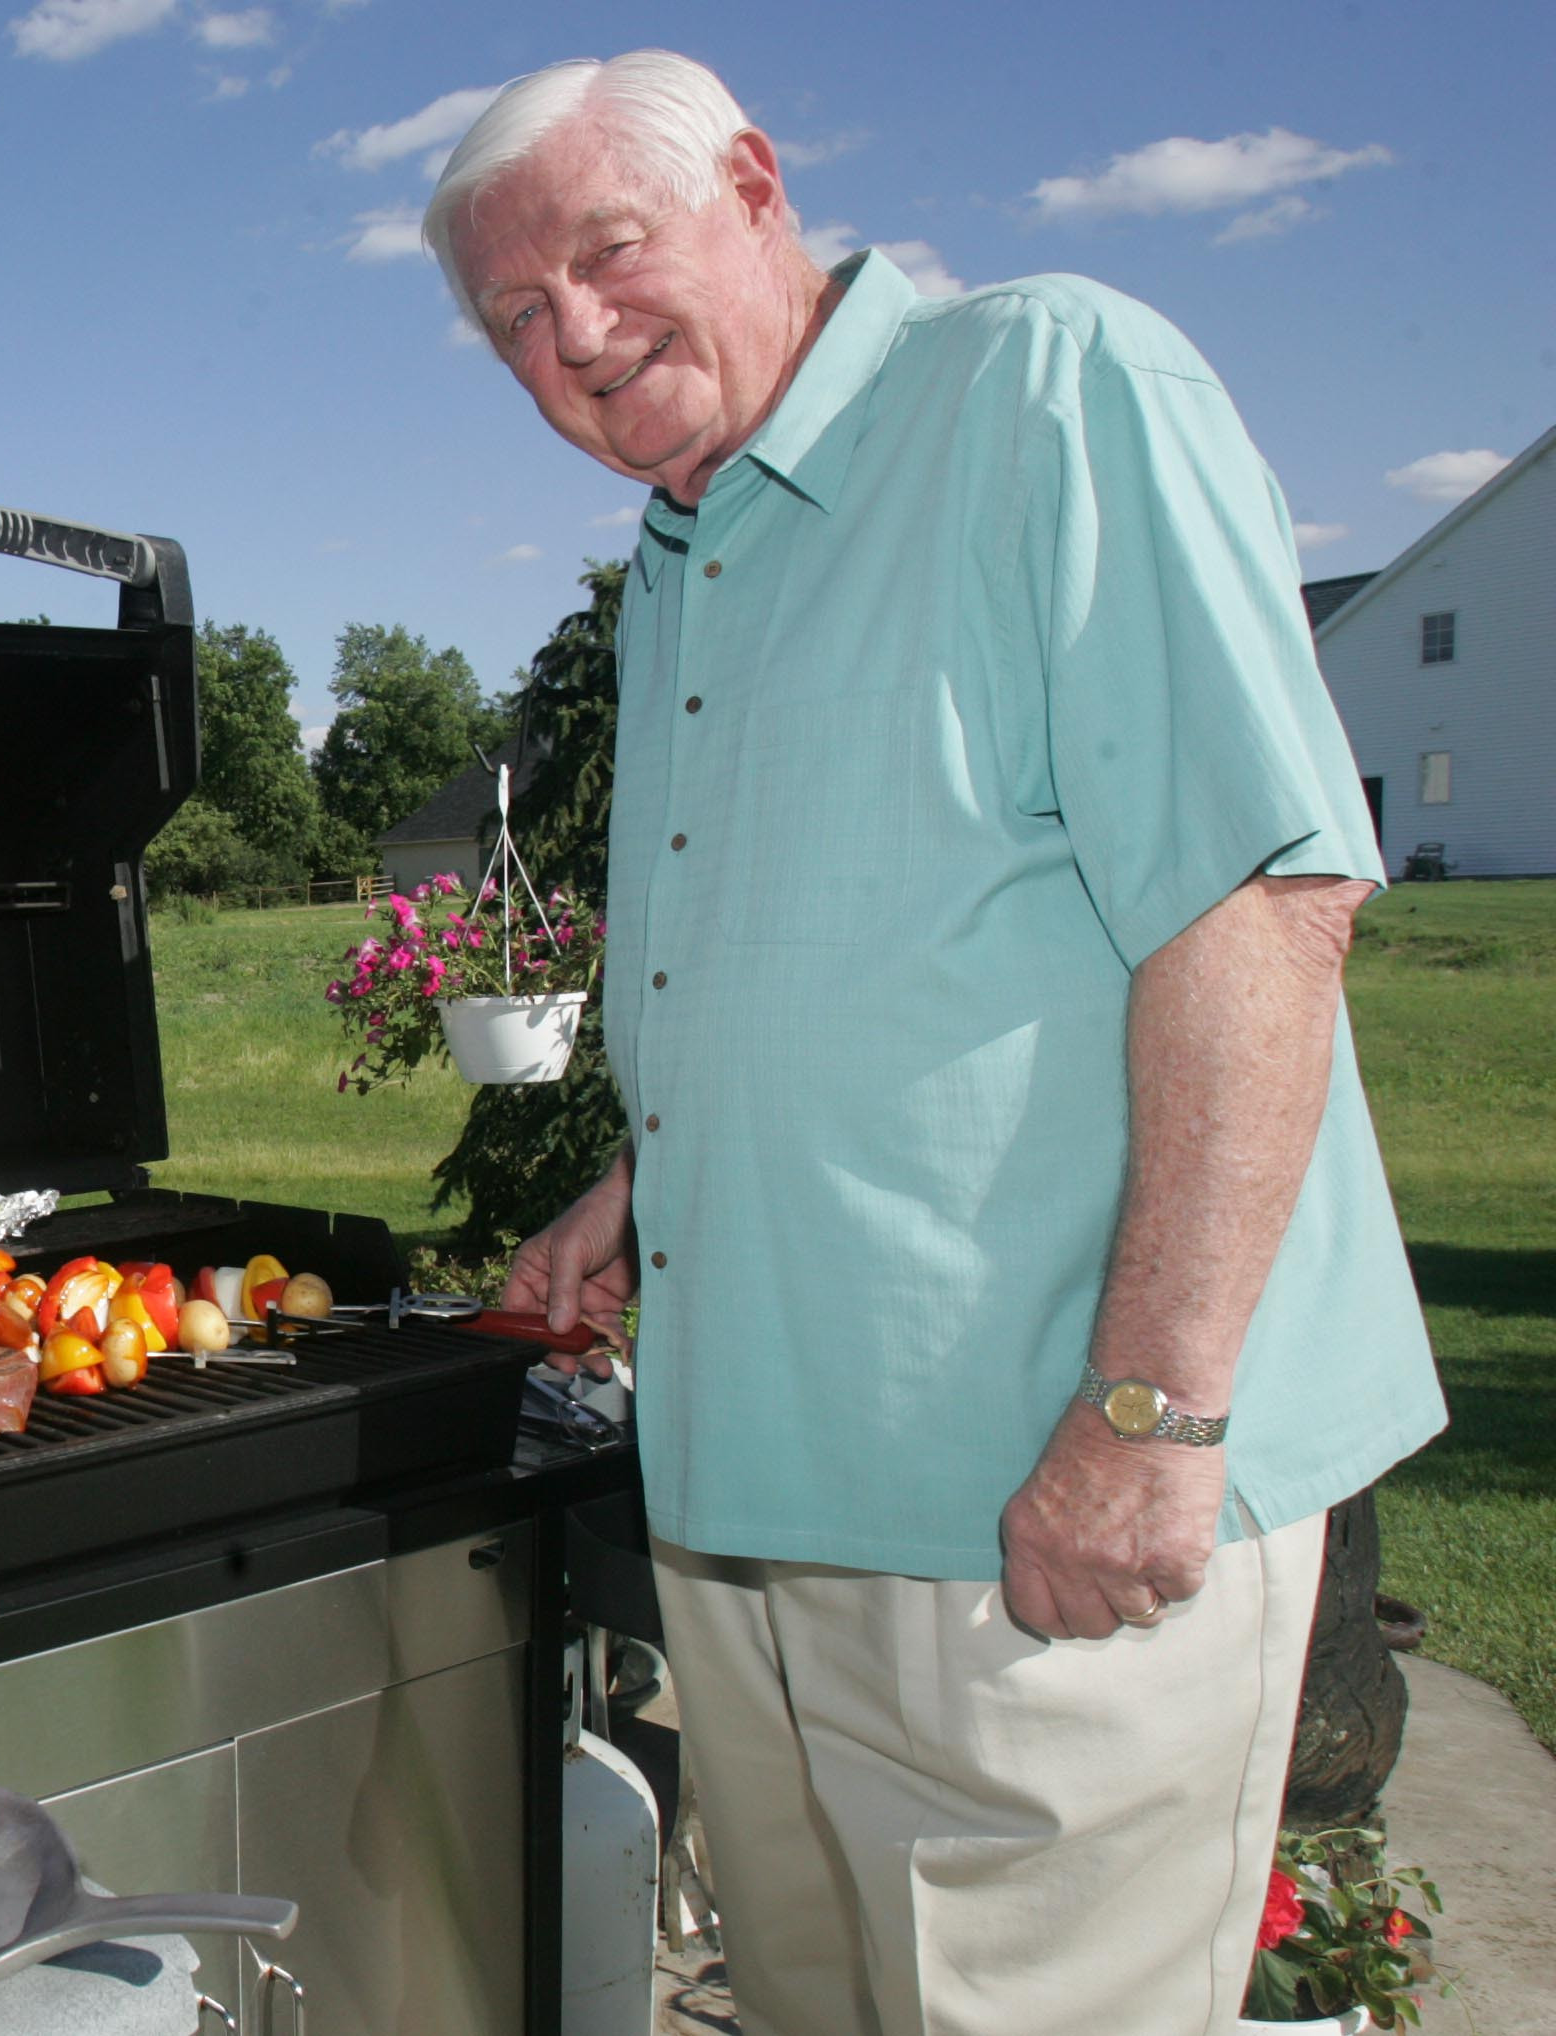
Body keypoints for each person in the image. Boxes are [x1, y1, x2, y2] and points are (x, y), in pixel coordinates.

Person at [430, 51, 1446, 2035]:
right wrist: (659, 1173)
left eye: (603, 254)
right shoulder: (680, 554)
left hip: (1035, 1514)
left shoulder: (1042, 390)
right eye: (511, 324)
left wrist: (1147, 1418)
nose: (572, 338)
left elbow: (1257, 901)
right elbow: (886, 936)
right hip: (752, 1509)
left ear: (750, 181)